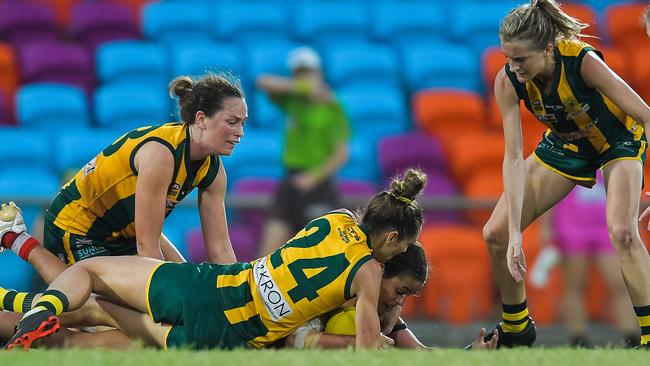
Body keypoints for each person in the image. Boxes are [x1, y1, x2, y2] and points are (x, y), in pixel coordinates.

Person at [3, 168, 427, 351]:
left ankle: (31, 307)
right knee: (99, 317)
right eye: (403, 246)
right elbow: (368, 350)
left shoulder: (333, 218)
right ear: (391, 236)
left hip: (213, 287)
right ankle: (26, 301)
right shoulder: (369, 272)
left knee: (89, 276)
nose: (401, 254)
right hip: (231, 334)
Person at [480, 0, 650, 348]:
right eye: (508, 57)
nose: (514, 66)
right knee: (494, 234)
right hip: (566, 147)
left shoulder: (581, 60)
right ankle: (517, 329)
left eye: (521, 59)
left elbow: (646, 115)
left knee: (622, 232)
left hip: (616, 143)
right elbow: (513, 157)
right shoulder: (509, 81)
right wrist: (515, 233)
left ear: (546, 48)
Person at [0, 73, 246, 285]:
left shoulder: (213, 170)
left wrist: (234, 296)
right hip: (76, 227)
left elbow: (220, 249)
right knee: (90, 310)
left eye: (243, 123)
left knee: (185, 282)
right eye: (232, 122)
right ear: (201, 119)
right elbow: (147, 246)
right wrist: (176, 298)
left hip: (122, 231)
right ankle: (20, 242)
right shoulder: (162, 153)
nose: (240, 133)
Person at [283, 242, 498, 350]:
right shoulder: (334, 289)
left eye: (408, 295)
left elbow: (421, 355)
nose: (400, 302)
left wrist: (469, 355)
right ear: (379, 272)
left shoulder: (384, 308)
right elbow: (292, 340)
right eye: (399, 291)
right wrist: (358, 343)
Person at [256, 46, 350, 257]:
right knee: (268, 251)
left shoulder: (332, 107)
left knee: (321, 253)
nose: (305, 79)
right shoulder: (294, 100)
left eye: (308, 73)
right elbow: (262, 82)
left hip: (319, 183)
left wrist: (312, 177)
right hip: (291, 179)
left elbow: (341, 154)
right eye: (300, 74)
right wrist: (303, 89)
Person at [531, 174, 639, 348]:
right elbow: (551, 191)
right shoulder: (568, 153)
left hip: (607, 226)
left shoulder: (611, 153)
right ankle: (577, 337)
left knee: (620, 284)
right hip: (571, 227)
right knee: (575, 286)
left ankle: (631, 335)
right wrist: (546, 227)